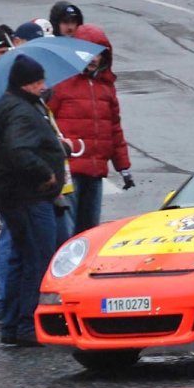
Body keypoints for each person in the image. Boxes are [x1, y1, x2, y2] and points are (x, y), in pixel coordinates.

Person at [0, 55, 67, 346]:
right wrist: (45, 173)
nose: (43, 86)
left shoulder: (7, 106)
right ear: (25, 83)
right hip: (29, 197)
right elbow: (19, 150)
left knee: (21, 258)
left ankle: (12, 323)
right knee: (37, 259)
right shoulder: (21, 111)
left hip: (14, 196)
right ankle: (26, 324)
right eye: (38, 82)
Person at [48, 24, 134, 233]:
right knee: (67, 231)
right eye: (89, 54)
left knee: (88, 232)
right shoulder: (62, 83)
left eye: (98, 54)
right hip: (70, 170)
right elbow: (46, 120)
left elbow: (114, 127)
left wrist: (123, 166)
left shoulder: (106, 87)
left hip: (95, 171)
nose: (94, 59)